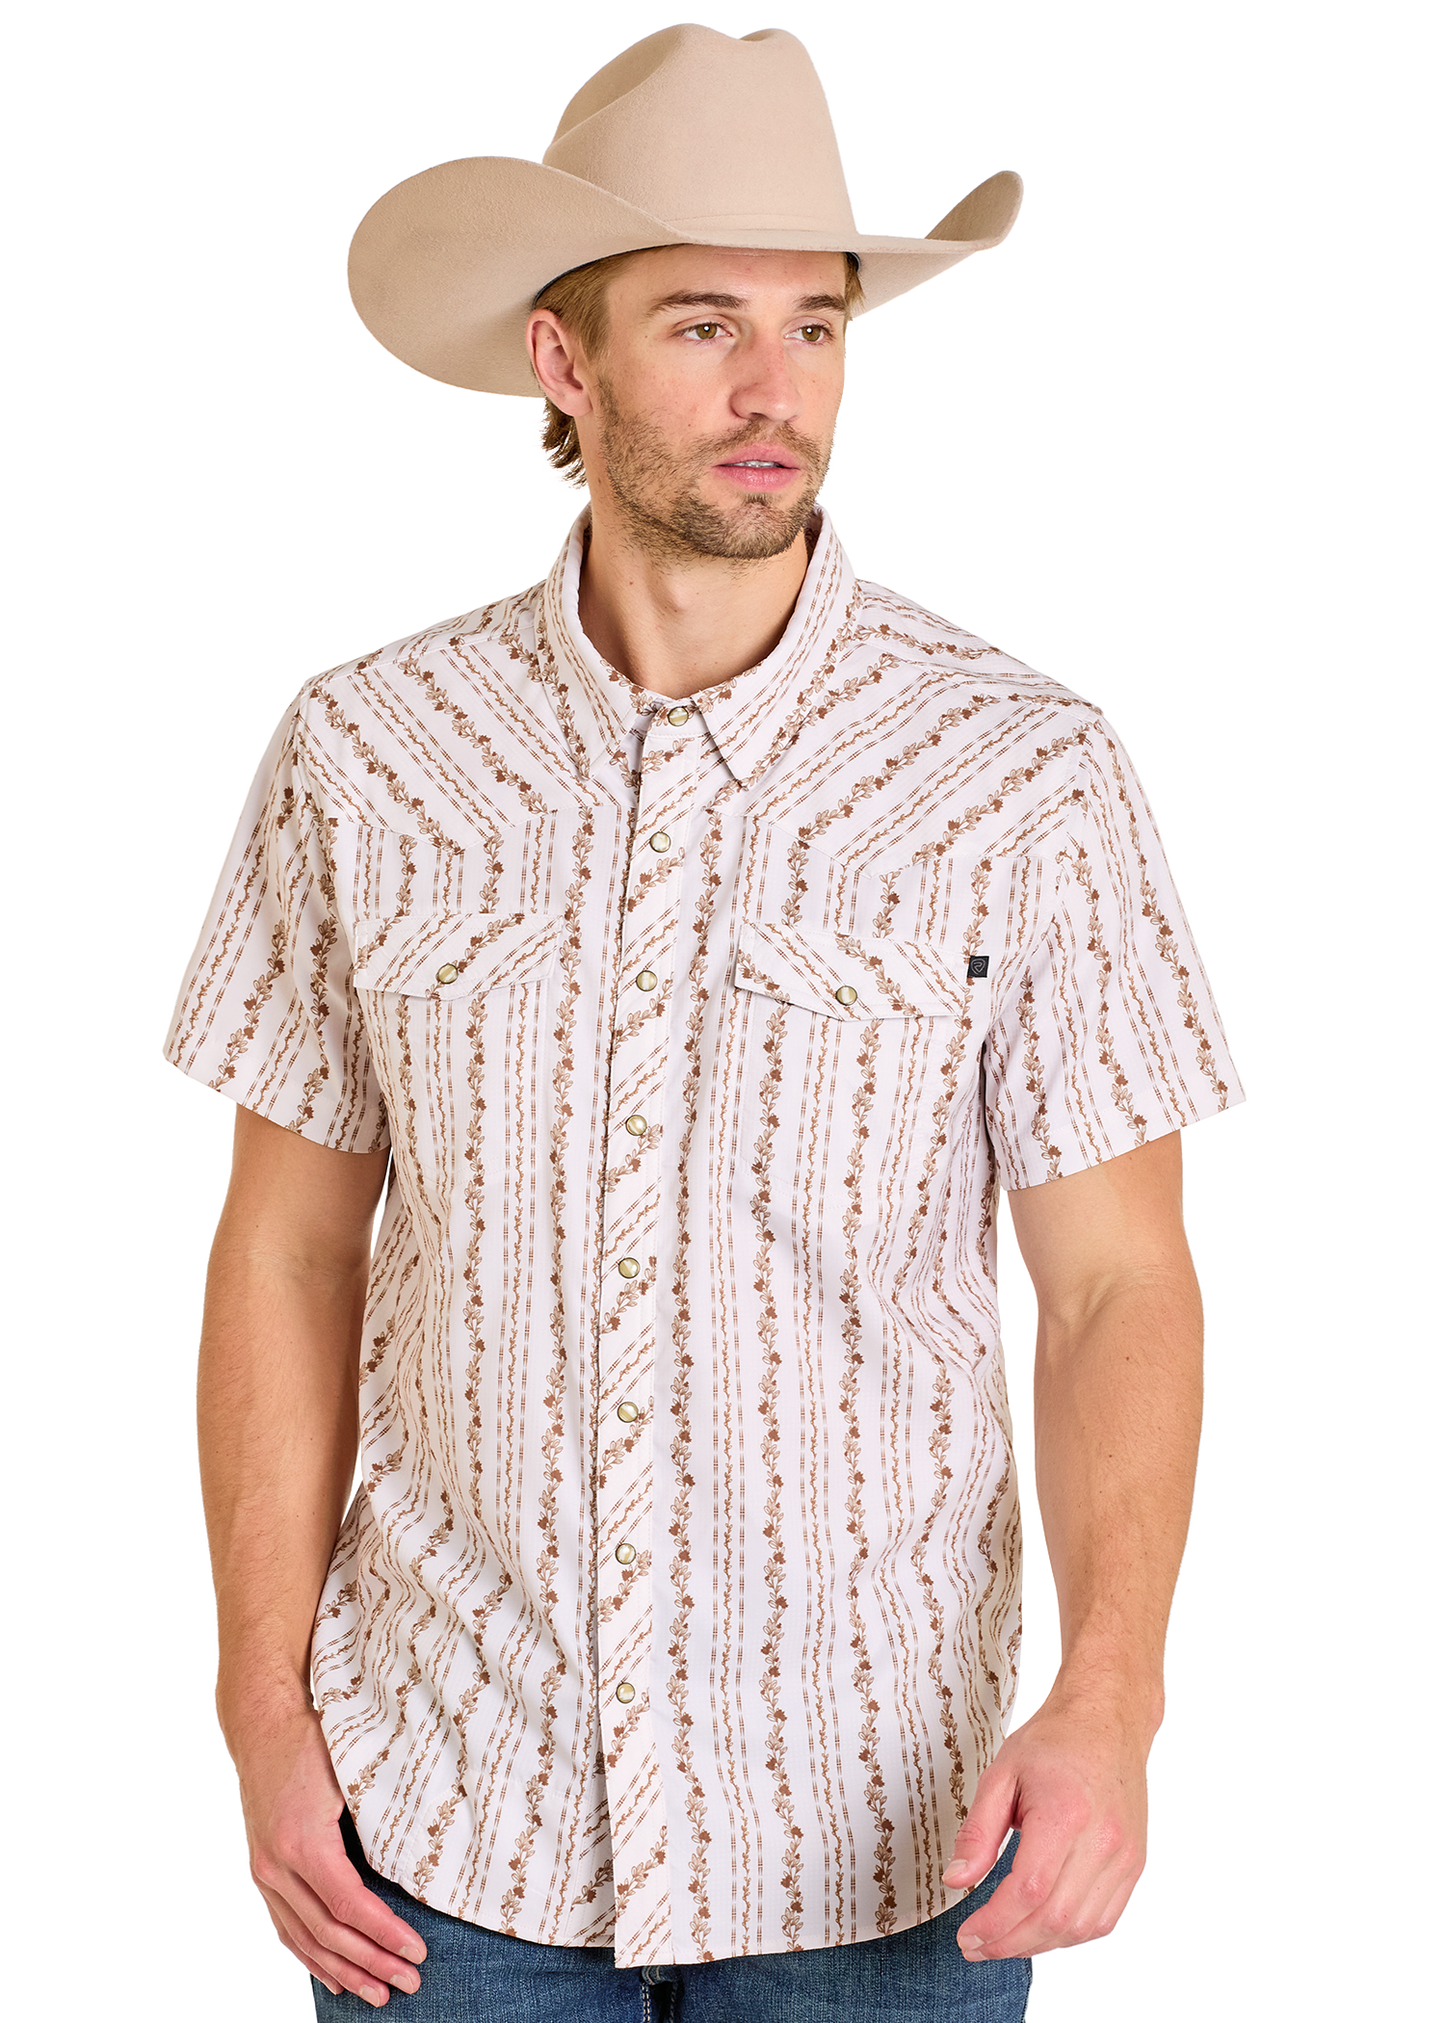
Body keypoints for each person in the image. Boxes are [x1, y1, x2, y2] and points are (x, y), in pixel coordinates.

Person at [162, 21, 1247, 2020]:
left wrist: (1110, 1697)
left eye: (817, 326)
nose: (775, 391)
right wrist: (256, 1703)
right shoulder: (363, 750)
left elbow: (1115, 1280)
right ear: (561, 361)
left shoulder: (1024, 771)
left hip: (892, 1828)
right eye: (701, 325)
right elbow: (287, 1246)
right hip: (445, 1819)